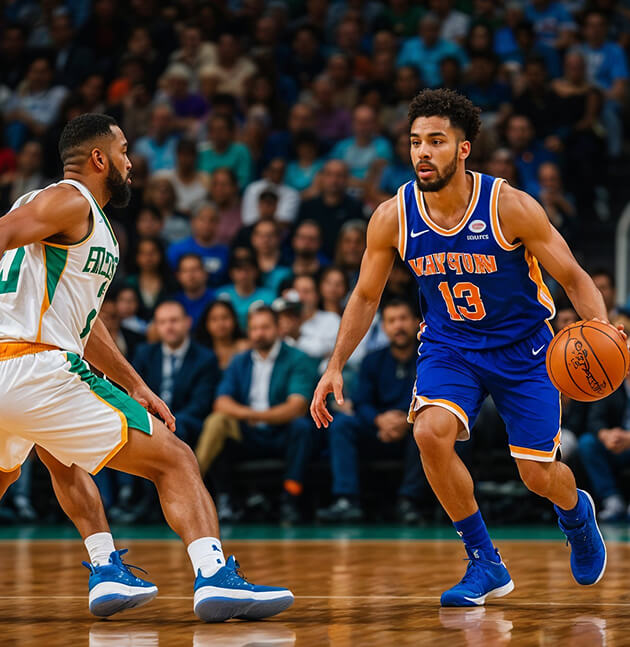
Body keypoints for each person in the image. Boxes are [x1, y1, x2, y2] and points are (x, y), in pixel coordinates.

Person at [311, 89, 614, 607]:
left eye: (436, 141)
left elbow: (573, 276)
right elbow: (364, 295)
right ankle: (484, 561)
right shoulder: (393, 216)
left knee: (537, 475)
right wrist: (335, 363)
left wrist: (602, 329)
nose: (423, 152)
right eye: (415, 142)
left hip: (525, 349)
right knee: (429, 432)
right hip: (450, 345)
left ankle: (576, 514)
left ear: (463, 148)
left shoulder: (510, 206)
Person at [0, 113, 293, 622]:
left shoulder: (69, 219)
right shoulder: (69, 198)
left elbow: (84, 323)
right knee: (174, 459)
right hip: (36, 364)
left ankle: (106, 567)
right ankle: (213, 575)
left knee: (59, 457)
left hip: (20, 371)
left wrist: (134, 384)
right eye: (123, 151)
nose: (131, 163)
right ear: (99, 159)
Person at [196, 305, 318, 523]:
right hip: (249, 433)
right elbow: (221, 403)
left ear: (278, 328)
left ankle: (290, 497)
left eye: (265, 327)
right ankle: (198, 487)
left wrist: (257, 416)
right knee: (217, 422)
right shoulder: (239, 361)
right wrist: (250, 415)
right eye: (254, 328)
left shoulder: (298, 359)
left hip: (282, 432)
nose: (259, 333)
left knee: (301, 426)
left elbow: (296, 407)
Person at [317, 300, 426, 524]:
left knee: (427, 430)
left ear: (417, 322)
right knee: (342, 424)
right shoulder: (373, 360)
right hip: (377, 428)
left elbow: (433, 399)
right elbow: (362, 402)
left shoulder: (428, 358)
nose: (398, 326)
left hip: (413, 427)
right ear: (384, 327)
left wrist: (407, 421)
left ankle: (409, 501)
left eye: (403, 319)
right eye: (392, 321)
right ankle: (346, 500)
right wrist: (378, 420)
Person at [167, 203, 229, 287]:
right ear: (193, 222)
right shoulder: (176, 249)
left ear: (218, 223)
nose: (207, 224)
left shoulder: (225, 252)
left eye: (212, 220)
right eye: (202, 219)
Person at [195, 299, 250, 372]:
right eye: (214, 319)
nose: (220, 324)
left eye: (225, 317)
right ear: (206, 324)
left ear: (234, 320)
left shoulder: (246, 349)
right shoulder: (199, 352)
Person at [173, 254, 216, 327]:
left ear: (205, 273)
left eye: (195, 270)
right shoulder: (173, 302)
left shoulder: (216, 298)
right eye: (185, 271)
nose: (190, 275)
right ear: (178, 276)